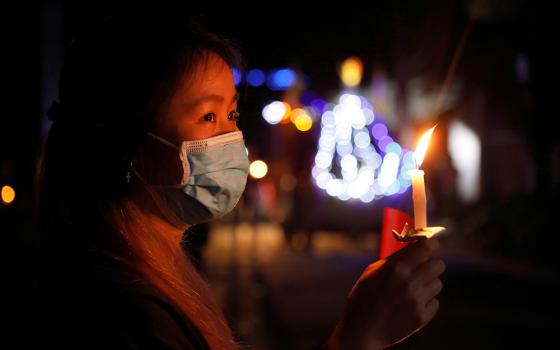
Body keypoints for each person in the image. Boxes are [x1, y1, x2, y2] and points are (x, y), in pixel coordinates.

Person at [35, 11, 445, 350]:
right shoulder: (125, 314)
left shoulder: (163, 273)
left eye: (232, 115)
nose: (231, 140)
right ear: (128, 142)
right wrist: (359, 338)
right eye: (208, 117)